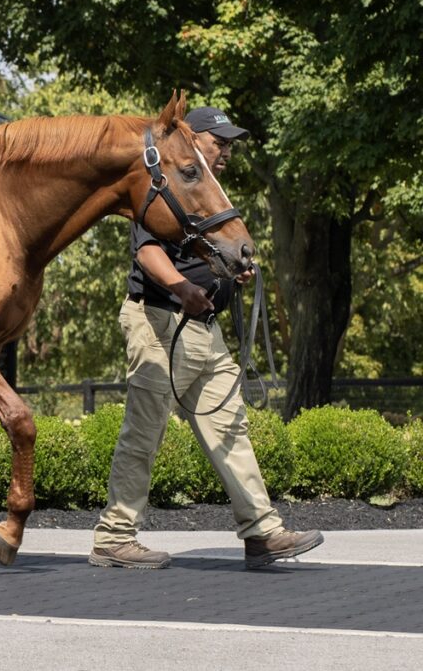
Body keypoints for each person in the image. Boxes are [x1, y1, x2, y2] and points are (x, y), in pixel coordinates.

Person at [89, 106, 324, 570]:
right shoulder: (163, 186)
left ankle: (262, 533)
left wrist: (232, 270)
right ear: (193, 139)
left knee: (231, 428)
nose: (228, 151)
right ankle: (113, 538)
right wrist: (182, 288)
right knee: (145, 432)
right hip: (161, 323)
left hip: (205, 330)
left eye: (231, 144)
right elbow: (148, 251)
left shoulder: (207, 195)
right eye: (220, 142)